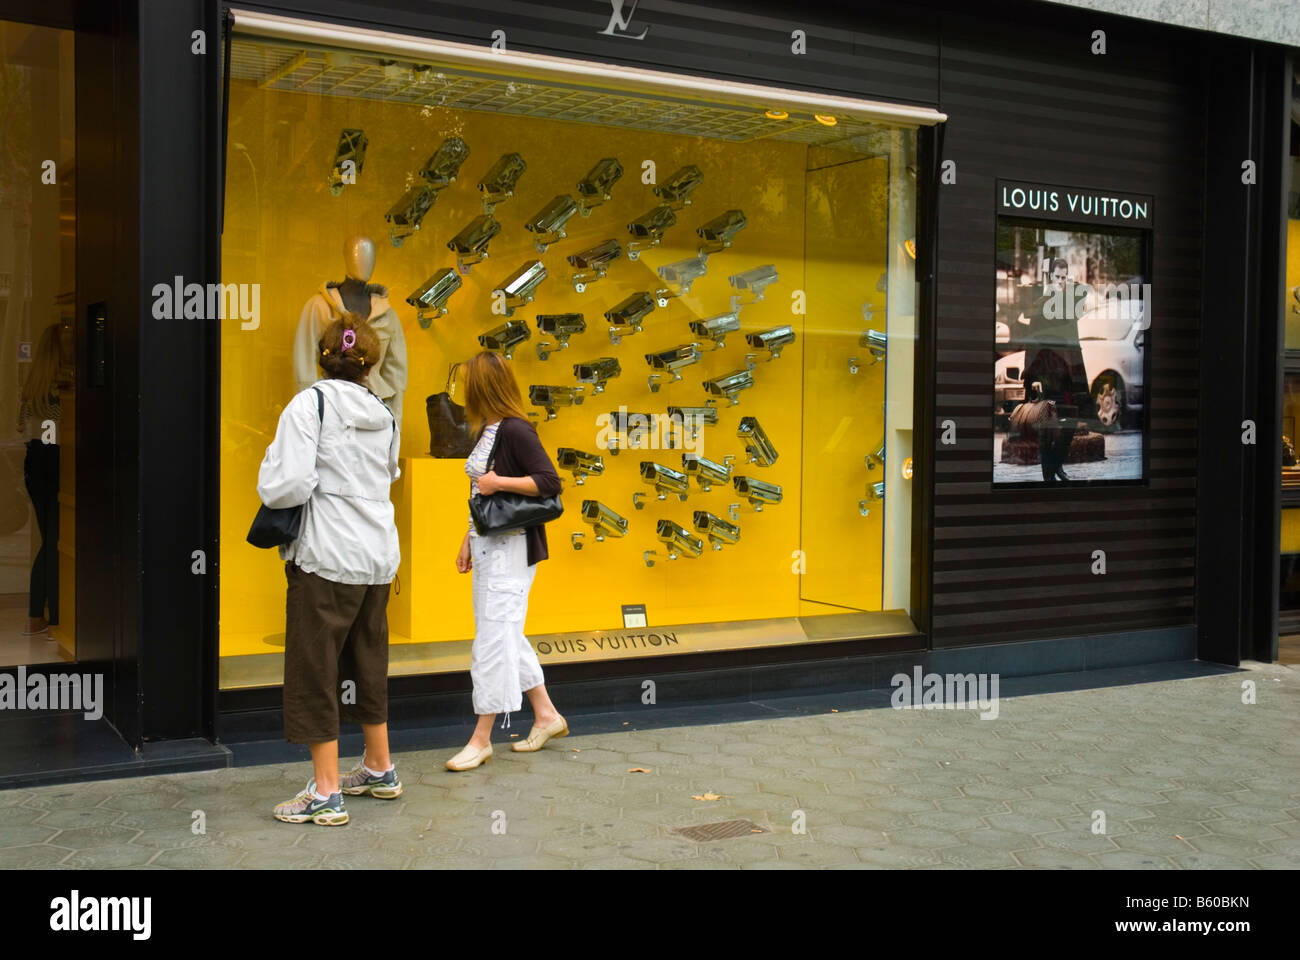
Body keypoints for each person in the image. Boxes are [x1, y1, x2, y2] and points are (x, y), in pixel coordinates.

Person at [257, 315, 402, 825]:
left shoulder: (309, 404)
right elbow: (389, 473)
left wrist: (269, 467)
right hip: (378, 555)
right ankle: (380, 767)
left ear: (324, 357)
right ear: (371, 363)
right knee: (368, 659)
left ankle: (326, 790)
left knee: (314, 668)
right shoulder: (385, 414)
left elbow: (286, 486)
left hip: (326, 555)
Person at [447, 351, 566, 771]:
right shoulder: (491, 431)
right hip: (490, 546)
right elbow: (482, 497)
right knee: (505, 633)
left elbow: (550, 483)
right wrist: (468, 536)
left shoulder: (515, 430)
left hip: (511, 551)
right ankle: (547, 715)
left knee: (493, 641)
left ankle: (481, 739)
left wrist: (498, 480)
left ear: (480, 388)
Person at [17, 323, 68, 636]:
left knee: (49, 539)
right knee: (56, 542)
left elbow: (23, 428)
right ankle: (57, 618)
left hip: (35, 462)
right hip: (57, 460)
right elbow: (64, 429)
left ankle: (36, 615)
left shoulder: (32, 386)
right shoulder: (61, 386)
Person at [1022, 258, 1089, 481]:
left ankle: (1056, 465)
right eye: (1058, 277)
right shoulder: (1041, 304)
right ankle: (1049, 473)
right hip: (1046, 374)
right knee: (1047, 426)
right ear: (1051, 277)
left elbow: (1073, 339)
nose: (1061, 282)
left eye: (1065, 277)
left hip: (1067, 375)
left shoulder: (1068, 304)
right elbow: (1032, 341)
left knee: (1069, 422)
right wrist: (1032, 375)